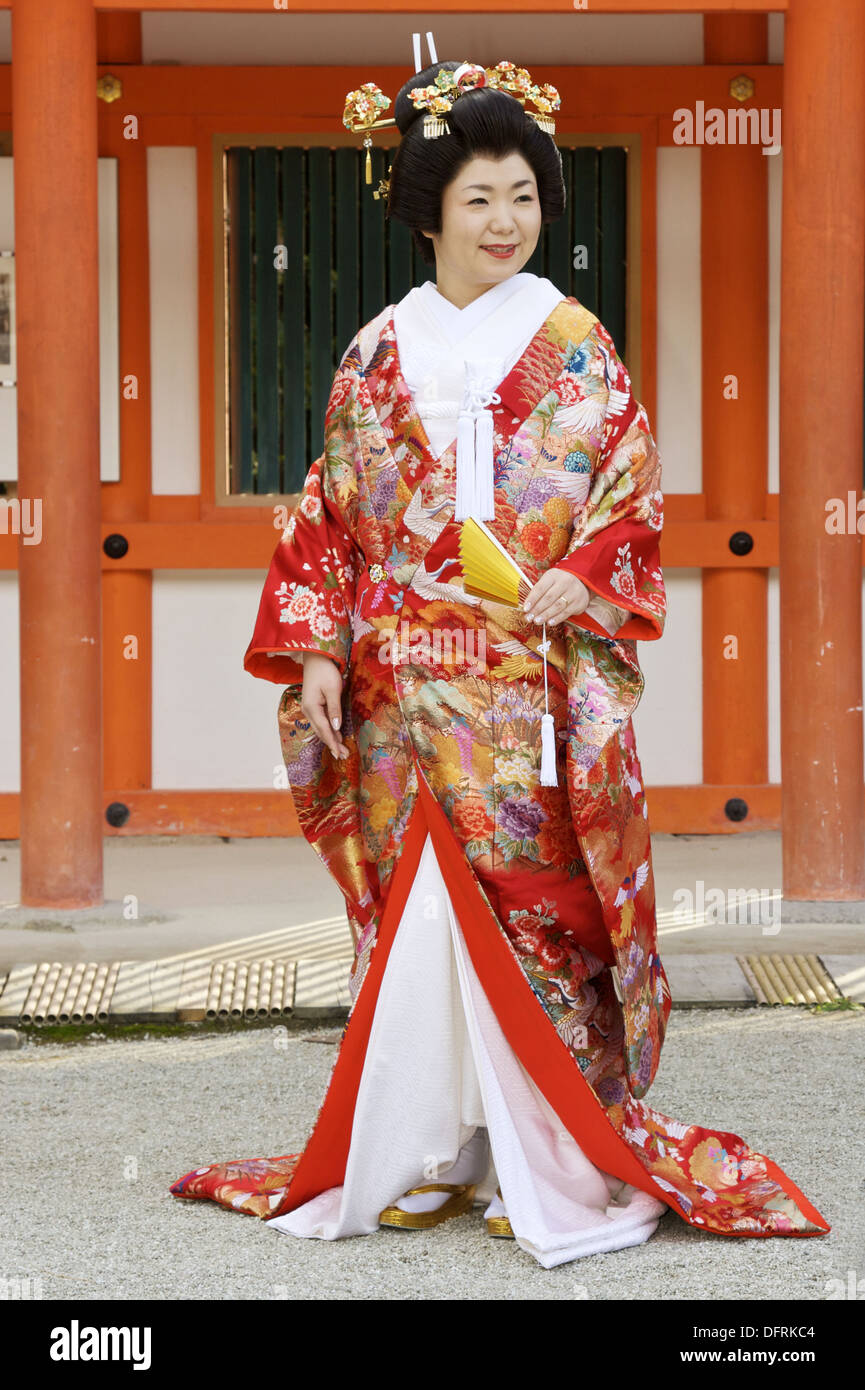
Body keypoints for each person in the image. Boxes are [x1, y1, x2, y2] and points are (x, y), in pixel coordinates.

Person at [170, 38, 830, 1269]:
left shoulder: (578, 344)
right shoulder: (375, 354)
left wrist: (583, 572)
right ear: (428, 213)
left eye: (523, 195)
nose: (505, 219)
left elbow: (630, 496)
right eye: (478, 197)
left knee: (542, 918)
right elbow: (326, 517)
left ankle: (555, 1150)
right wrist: (315, 648)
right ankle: (431, 1152)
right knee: (413, 918)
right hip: (399, 687)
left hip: (530, 685)